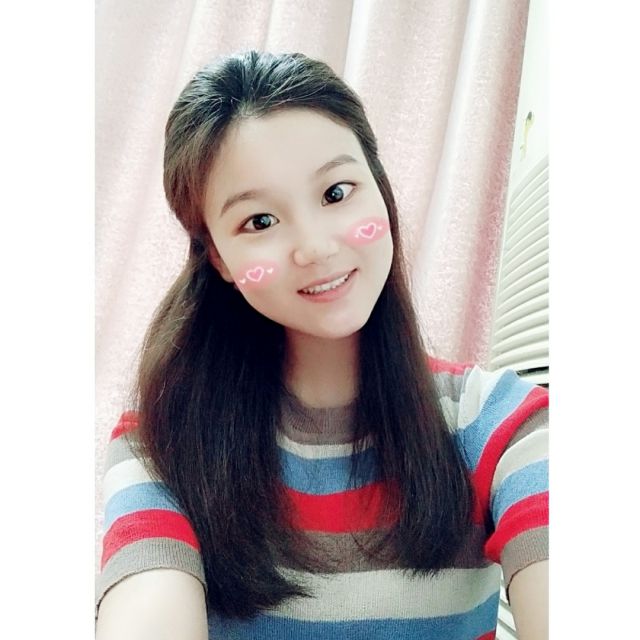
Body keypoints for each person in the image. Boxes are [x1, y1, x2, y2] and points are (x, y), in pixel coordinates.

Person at [95, 50, 549, 640]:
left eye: (336, 192)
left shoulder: (499, 425)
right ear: (219, 258)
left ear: (379, 190)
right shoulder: (160, 447)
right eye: (259, 222)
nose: (315, 247)